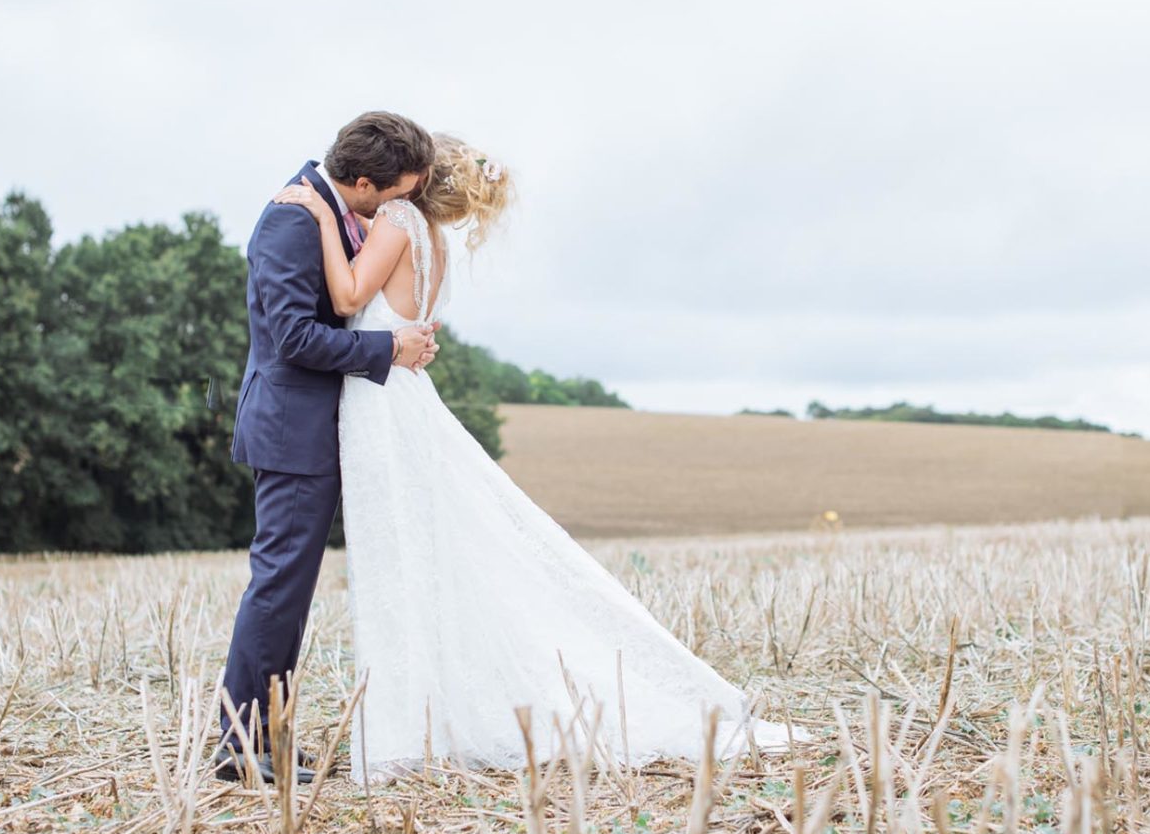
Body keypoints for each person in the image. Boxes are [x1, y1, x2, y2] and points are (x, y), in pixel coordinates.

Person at [272, 132, 790, 782]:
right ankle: (420, 721)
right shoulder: (436, 241)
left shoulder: (399, 221)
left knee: (398, 554)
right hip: (402, 395)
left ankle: (409, 730)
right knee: (421, 553)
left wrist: (321, 215)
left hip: (379, 402)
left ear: (416, 182)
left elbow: (348, 299)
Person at [214, 111, 441, 785]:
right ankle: (240, 745)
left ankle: (269, 733)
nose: (403, 204)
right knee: (279, 586)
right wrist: (386, 348)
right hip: (290, 431)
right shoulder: (291, 219)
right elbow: (293, 338)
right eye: (398, 191)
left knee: (293, 589)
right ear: (365, 182)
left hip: (314, 429)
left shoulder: (338, 212)